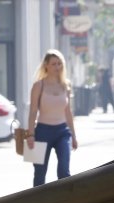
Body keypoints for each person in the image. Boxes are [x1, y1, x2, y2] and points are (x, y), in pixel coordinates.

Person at [26, 49, 78, 187]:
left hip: (62, 132)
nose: (57, 67)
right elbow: (32, 112)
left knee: (64, 172)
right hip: (42, 132)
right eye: (54, 64)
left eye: (60, 64)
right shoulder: (38, 85)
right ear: (46, 66)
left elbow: (68, 112)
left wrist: (73, 135)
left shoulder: (66, 85)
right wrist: (30, 134)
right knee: (39, 174)